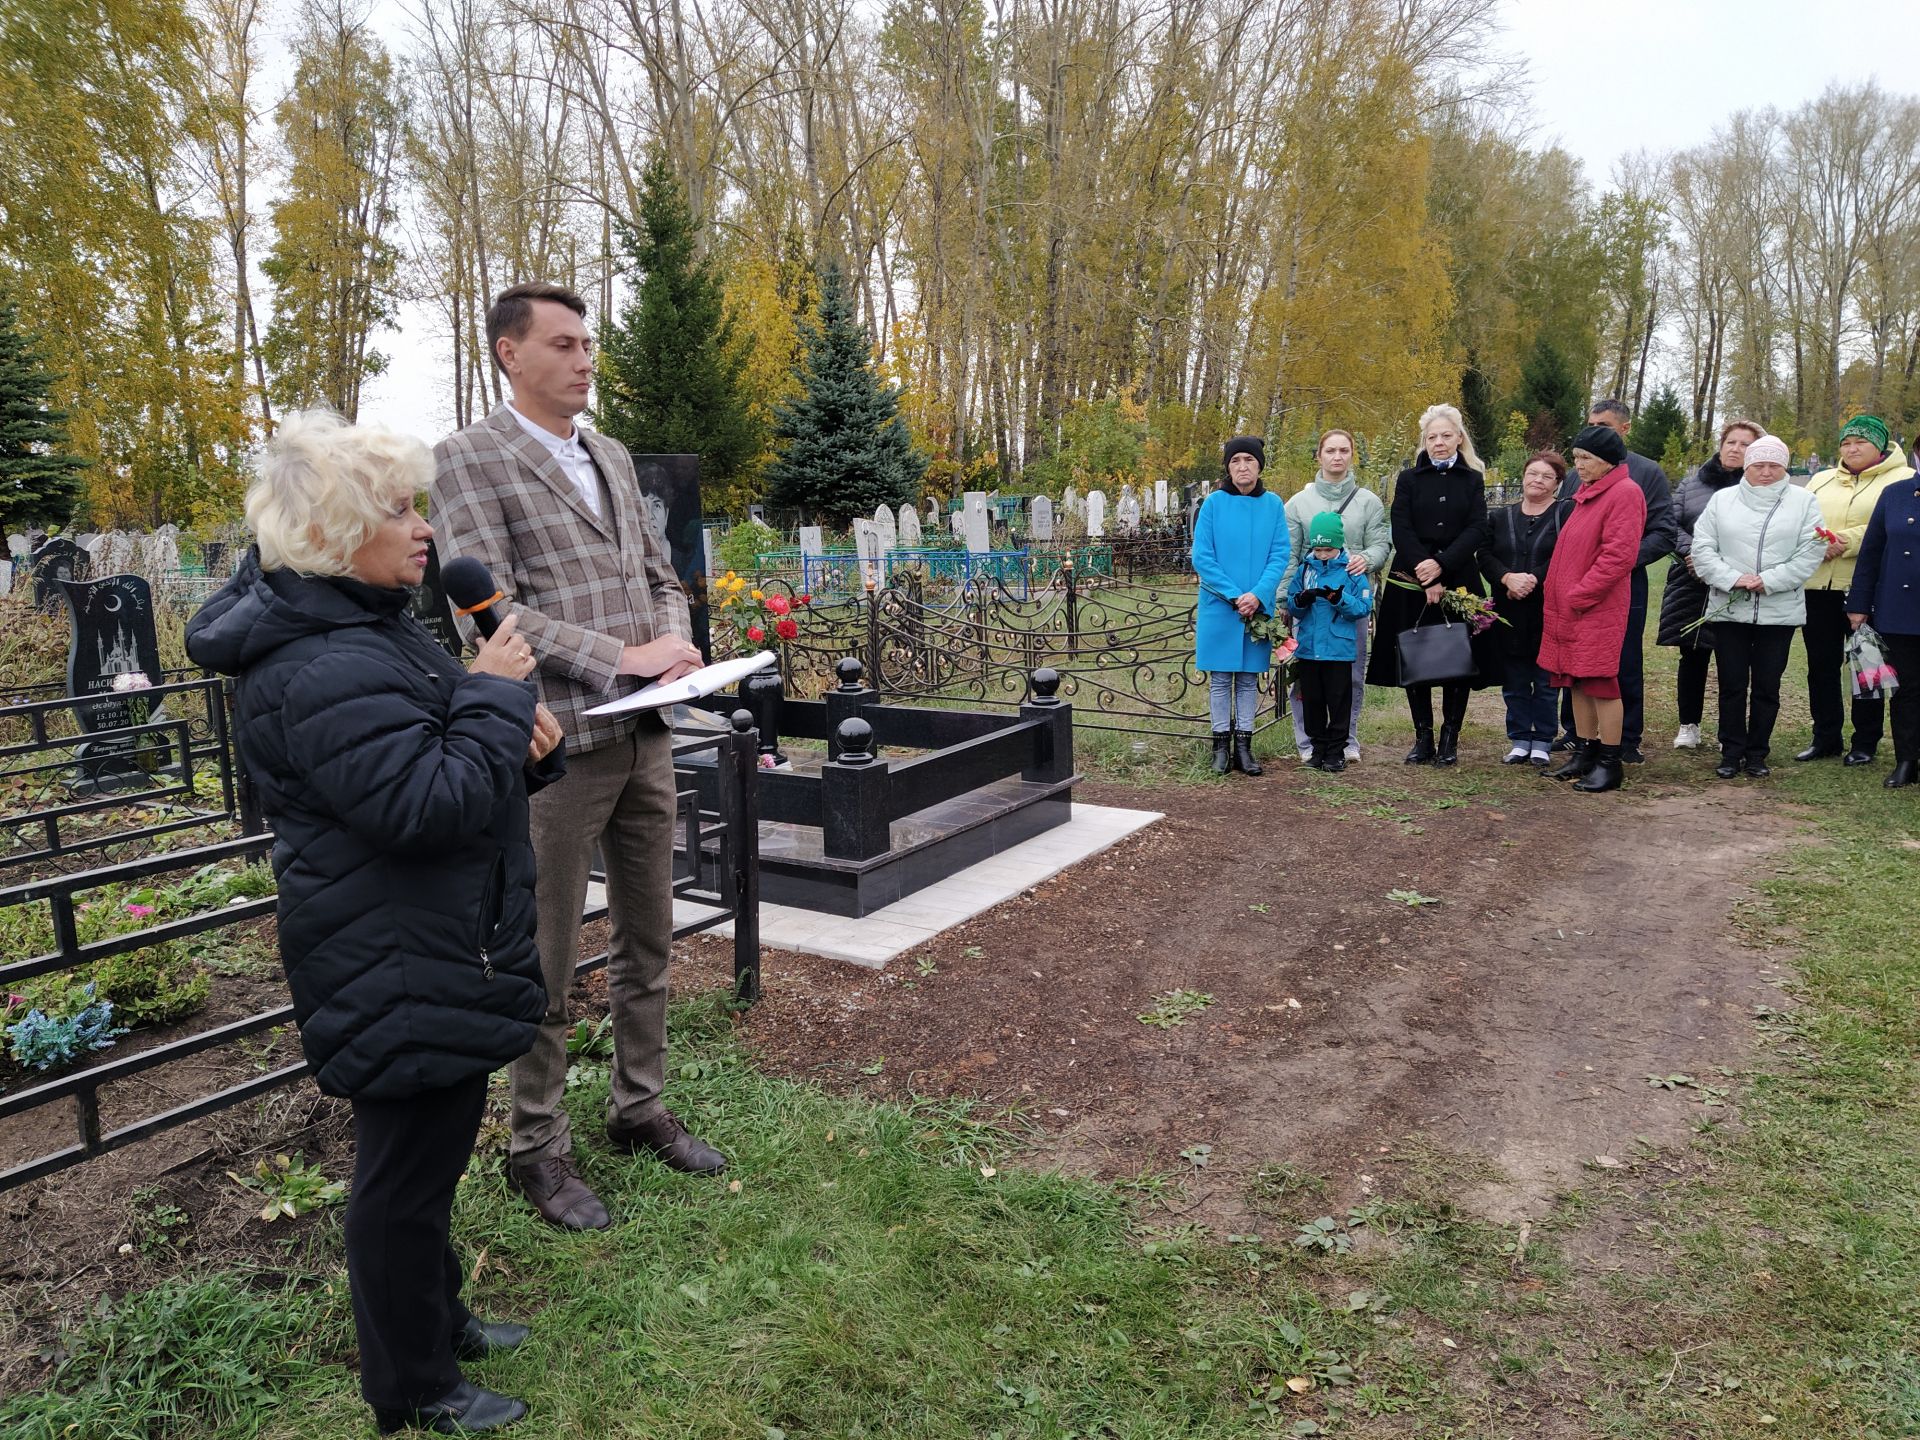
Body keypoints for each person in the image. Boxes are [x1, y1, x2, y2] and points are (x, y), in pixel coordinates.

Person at [185, 411, 564, 1435]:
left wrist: (524, 736)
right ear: (335, 534)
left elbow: (454, 755)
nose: (422, 529)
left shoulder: (365, 630)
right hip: (389, 957)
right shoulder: (318, 667)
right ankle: (415, 1386)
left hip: (432, 942)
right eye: (397, 510)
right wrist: (491, 701)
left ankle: (440, 1320)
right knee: (399, 1183)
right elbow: (419, 807)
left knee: (427, 1164)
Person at [432, 281, 719, 1235]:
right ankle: (537, 1149)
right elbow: (488, 608)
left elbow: (655, 573)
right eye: (562, 343)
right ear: (510, 354)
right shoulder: (470, 459)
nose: (585, 358)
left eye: (588, 342)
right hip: (554, 745)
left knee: (651, 936)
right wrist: (618, 658)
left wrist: (673, 644)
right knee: (546, 958)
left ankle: (639, 1106)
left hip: (644, 734)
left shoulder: (612, 451)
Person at [1366, 403, 1497, 766]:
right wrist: (1425, 572)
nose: (1439, 443)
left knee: (1458, 659)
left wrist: (1441, 567)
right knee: (1418, 655)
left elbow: (1476, 528)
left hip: (1459, 580)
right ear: (1424, 441)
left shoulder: (1472, 479)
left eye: (1446, 435)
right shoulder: (1408, 479)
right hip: (1411, 579)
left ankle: (1449, 738)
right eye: (1432, 437)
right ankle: (1422, 738)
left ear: (1459, 438)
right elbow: (1401, 526)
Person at [1688, 434, 1825, 779]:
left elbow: (1810, 550)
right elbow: (1704, 548)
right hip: (1731, 608)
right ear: (1747, 467)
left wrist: (1771, 580)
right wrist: (1734, 578)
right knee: (1732, 683)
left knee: (1767, 685)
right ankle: (1731, 751)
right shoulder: (1723, 500)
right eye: (1758, 465)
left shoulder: (1804, 501)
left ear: (1785, 467)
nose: (1765, 472)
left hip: (1778, 611)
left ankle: (1757, 752)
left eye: (1773, 465)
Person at [1551, 398, 1677, 762]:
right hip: (1580, 585)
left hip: (1620, 583)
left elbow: (1663, 532)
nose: (1593, 433)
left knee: (1619, 662)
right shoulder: (1578, 473)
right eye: (1590, 424)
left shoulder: (1643, 474)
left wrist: (1616, 565)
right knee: (1575, 661)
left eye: (1603, 426)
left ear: (1624, 429)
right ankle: (1578, 735)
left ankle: (1624, 739)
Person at [1796, 414, 1913, 765]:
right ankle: (1825, 735)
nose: (1852, 448)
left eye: (1860, 441)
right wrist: (1817, 542)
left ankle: (1865, 741)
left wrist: (1845, 540)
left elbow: (1886, 528)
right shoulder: (1820, 479)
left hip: (1868, 587)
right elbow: (1799, 517)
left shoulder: (1903, 479)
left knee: (1867, 664)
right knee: (1821, 665)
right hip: (1818, 584)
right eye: (1846, 442)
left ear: (1880, 445)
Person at [1537, 427, 1646, 792]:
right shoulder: (1588, 493)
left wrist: (1581, 594)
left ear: (1607, 461)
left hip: (1596, 607)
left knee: (1601, 683)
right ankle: (1585, 751)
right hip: (1572, 607)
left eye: (1585, 459)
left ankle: (1611, 763)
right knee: (1576, 680)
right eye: (1577, 457)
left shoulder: (1625, 493)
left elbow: (1618, 555)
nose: (1577, 466)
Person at [1282, 429, 1390, 763]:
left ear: (1352, 454)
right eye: (1330, 450)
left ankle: (1346, 740)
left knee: (1350, 674)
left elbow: (1381, 544)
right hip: (1310, 603)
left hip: (1348, 599)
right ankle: (1308, 742)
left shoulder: (1367, 501)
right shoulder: (1298, 504)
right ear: (1319, 455)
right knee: (1306, 676)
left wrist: (1366, 559)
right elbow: (1291, 554)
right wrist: (1284, 600)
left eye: (1344, 450)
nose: (1337, 457)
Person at [1657, 420, 1760, 749]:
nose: (1735, 449)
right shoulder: (1692, 484)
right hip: (1691, 582)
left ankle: (1729, 730)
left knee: (1734, 659)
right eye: (1731, 442)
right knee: (1693, 655)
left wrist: (1721, 566)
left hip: (1737, 583)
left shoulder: (1760, 489)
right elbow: (1670, 523)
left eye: (1745, 444)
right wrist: (1696, 556)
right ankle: (1689, 724)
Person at [1192, 435, 1290, 776]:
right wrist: (1236, 595)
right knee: (1220, 678)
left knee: (1248, 678)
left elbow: (1280, 554)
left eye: (1249, 459)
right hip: (1221, 605)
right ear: (1228, 467)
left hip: (1256, 605)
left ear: (1259, 464)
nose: (1243, 466)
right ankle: (1220, 745)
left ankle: (1244, 748)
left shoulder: (1274, 505)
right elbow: (1202, 556)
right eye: (1236, 461)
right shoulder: (1214, 504)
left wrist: (1258, 594)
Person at [1479, 450, 1569, 765]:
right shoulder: (1500, 516)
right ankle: (1519, 738)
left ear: (1557, 483)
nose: (1538, 480)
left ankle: (1543, 740)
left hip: (1548, 609)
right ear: (1524, 475)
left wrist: (1533, 579)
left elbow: (1565, 555)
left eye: (1547, 476)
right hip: (1508, 609)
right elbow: (1485, 554)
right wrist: (1506, 578)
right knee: (1515, 679)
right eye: (1533, 473)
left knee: (1545, 681)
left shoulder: (1565, 514)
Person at [1845, 465, 1920, 788]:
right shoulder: (1896, 494)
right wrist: (1859, 603)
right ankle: (1907, 759)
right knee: (1907, 690)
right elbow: (1871, 552)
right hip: (1901, 608)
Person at [1286, 511, 1374, 772]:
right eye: (1319, 549)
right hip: (1310, 648)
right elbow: (1293, 601)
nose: (1323, 554)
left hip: (1339, 649)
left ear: (1338, 546)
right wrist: (1300, 601)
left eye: (1328, 549)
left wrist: (1339, 599)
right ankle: (1317, 747)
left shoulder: (1352, 571)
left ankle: (1336, 750)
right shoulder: (1305, 570)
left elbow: (1362, 607)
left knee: (1338, 702)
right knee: (1312, 701)